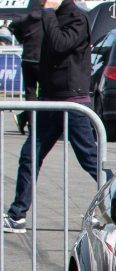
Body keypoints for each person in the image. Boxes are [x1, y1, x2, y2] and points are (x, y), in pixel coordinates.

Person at [4, 0, 96, 234]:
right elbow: (23, 28)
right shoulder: (48, 17)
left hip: (72, 101)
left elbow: (59, 44)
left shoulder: (77, 18)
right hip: (51, 100)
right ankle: (17, 214)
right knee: (30, 156)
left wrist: (47, 14)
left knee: (90, 158)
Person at [10, 0, 43, 135]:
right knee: (44, 94)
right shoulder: (49, 18)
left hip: (29, 58)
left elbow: (12, 26)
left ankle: (27, 119)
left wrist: (23, 39)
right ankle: (31, 122)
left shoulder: (27, 18)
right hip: (42, 59)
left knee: (31, 94)